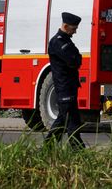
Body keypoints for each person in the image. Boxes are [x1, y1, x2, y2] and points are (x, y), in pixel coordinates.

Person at [45, 12, 85, 149]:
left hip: (69, 87)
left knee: (64, 119)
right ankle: (78, 149)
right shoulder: (58, 42)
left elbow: (77, 58)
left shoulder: (66, 41)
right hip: (64, 87)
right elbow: (74, 60)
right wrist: (76, 58)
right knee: (72, 121)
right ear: (66, 26)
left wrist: (77, 58)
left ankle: (48, 146)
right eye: (73, 29)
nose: (75, 32)